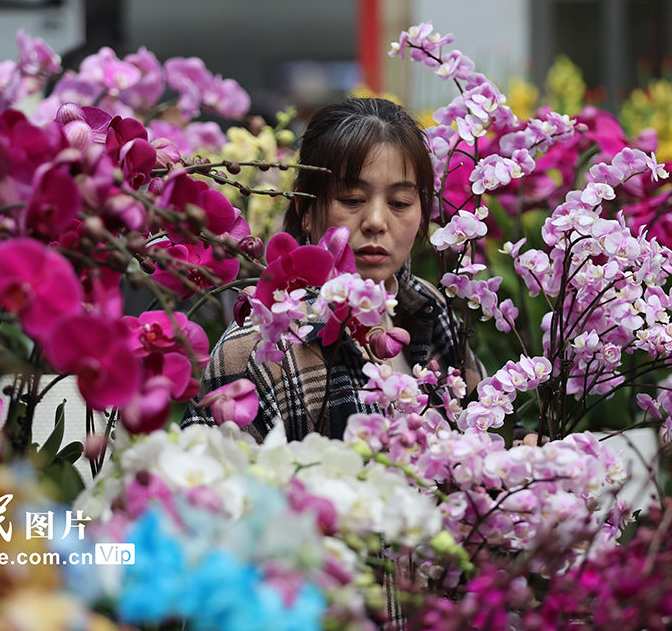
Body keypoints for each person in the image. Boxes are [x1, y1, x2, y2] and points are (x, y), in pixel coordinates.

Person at [182, 97, 484, 443]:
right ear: (306, 210)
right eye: (352, 200)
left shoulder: (429, 308)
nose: (375, 221)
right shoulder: (259, 348)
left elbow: (480, 435)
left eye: (400, 203)